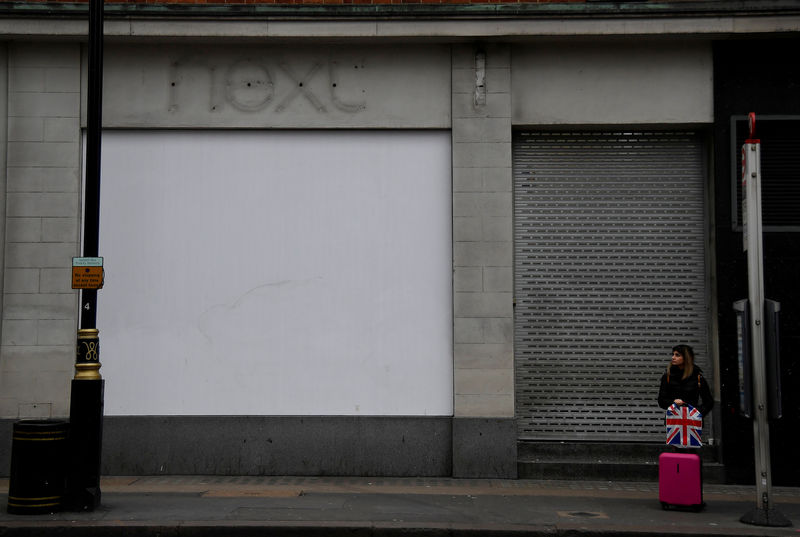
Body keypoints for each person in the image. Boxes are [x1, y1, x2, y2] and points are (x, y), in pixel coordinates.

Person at [657, 344, 713, 418]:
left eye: (677, 355)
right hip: (673, 421)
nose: (673, 357)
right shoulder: (668, 376)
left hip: (692, 422)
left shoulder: (697, 377)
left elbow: (708, 402)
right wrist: (673, 402)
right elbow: (661, 401)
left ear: (686, 358)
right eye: (673, 354)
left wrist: (697, 413)